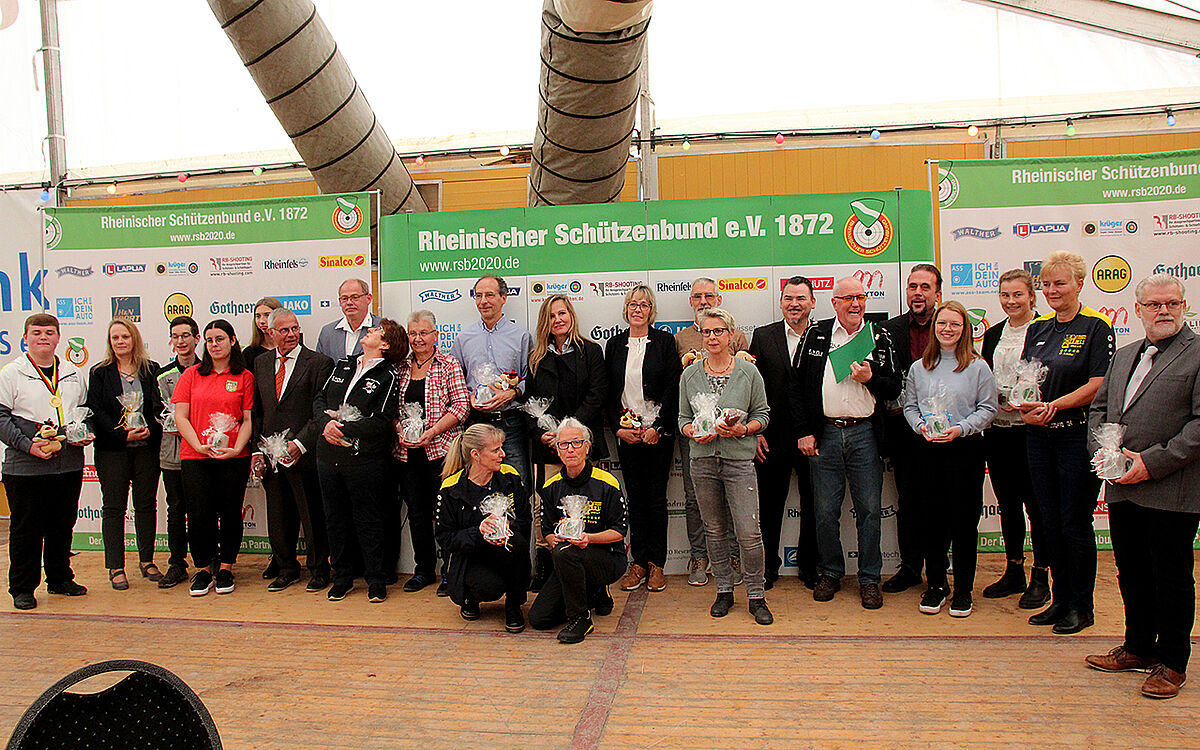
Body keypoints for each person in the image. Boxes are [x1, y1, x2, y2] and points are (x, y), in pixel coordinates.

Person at [1085, 273, 1200, 699]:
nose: (1163, 311)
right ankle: (1138, 647)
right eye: (1154, 304)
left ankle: (1172, 663)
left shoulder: (1197, 353)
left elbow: (1199, 426)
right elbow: (1099, 411)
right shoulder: (1125, 355)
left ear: (1184, 305)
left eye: (1171, 303)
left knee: (1171, 577)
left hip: (1172, 488)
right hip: (1122, 486)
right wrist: (1105, 453)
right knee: (1131, 571)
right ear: (1139, 310)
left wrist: (1150, 463)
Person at [1019, 250, 1115, 635]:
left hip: (1076, 435)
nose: (1052, 290)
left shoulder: (1097, 326)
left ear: (1079, 283)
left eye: (1060, 283)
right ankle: (1059, 600)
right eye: (1046, 284)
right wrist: (1026, 409)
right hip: (1039, 436)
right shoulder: (1038, 327)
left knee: (1074, 522)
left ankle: (1081, 605)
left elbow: (1099, 384)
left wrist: (1055, 405)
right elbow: (1028, 381)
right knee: (1048, 521)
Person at [791, 276, 901, 609]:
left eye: (860, 297)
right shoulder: (816, 333)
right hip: (824, 433)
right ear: (834, 303)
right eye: (848, 298)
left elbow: (894, 386)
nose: (856, 304)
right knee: (825, 512)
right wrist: (803, 431)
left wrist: (871, 379)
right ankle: (830, 572)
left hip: (864, 433)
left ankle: (869, 579)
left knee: (869, 510)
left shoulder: (878, 335)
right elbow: (796, 386)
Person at [903, 301, 997, 617]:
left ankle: (964, 590)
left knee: (963, 524)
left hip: (965, 451)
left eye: (955, 324)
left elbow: (988, 408)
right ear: (934, 327)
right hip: (928, 450)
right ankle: (936, 586)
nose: (947, 329)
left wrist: (960, 429)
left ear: (964, 329)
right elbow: (910, 407)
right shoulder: (919, 367)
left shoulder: (978, 366)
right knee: (931, 522)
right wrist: (920, 427)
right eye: (942, 323)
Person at [679, 308, 773, 625]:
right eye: (707, 332)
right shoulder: (690, 375)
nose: (712, 337)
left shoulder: (748, 372)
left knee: (748, 532)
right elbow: (682, 419)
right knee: (715, 530)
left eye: (718, 331)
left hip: (738, 461)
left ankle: (757, 595)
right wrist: (692, 431)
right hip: (702, 461)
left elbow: (763, 414)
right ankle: (723, 590)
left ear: (731, 334)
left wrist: (744, 430)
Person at [0, 314, 92, 610]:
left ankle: (60, 578)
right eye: (37, 332)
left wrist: (83, 434)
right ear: (25, 337)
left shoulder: (72, 372)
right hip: (25, 467)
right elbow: (1, 418)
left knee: (62, 525)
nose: (43, 337)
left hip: (68, 464)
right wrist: (28, 446)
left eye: (49, 332)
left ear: (58, 337)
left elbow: (83, 412)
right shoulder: (11, 373)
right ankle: (22, 588)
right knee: (26, 529)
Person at [314, 319, 405, 603]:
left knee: (369, 521)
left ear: (385, 344)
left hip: (364, 460)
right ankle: (342, 577)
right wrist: (325, 425)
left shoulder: (389, 375)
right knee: (335, 520)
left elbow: (382, 420)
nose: (370, 330)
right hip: (328, 456)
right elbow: (319, 401)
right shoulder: (343, 364)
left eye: (377, 331)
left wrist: (343, 428)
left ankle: (376, 580)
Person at [525, 294, 608, 592]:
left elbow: (597, 395)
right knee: (543, 506)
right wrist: (542, 434)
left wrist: (569, 433)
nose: (557, 319)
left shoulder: (591, 352)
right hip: (547, 447)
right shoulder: (535, 359)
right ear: (544, 322)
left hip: (582, 442)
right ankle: (545, 566)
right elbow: (530, 404)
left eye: (562, 313)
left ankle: (589, 568)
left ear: (571, 315)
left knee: (587, 506)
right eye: (551, 315)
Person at [250, 308, 335, 593]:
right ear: (271, 332)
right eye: (284, 330)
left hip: (305, 453)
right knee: (278, 516)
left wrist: (299, 445)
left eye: (294, 328)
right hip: (270, 456)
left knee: (312, 515)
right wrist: (257, 450)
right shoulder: (261, 363)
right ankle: (286, 568)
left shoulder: (319, 363)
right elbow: (257, 411)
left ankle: (319, 569)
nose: (291, 334)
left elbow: (320, 412)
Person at [604, 285, 680, 593]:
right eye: (633, 304)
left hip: (657, 435)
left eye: (644, 305)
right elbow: (608, 392)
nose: (638, 309)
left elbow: (673, 387)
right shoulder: (614, 344)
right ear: (626, 310)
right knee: (634, 499)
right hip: (627, 434)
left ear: (651, 311)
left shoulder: (664, 342)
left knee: (656, 499)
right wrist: (618, 428)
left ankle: (656, 563)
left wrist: (658, 427)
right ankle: (637, 563)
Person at [980, 269, 1049, 607]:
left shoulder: (1045, 330)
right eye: (1005, 295)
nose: (1011, 301)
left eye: (1017, 295)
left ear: (1031, 296)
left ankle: (1041, 576)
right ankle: (1014, 570)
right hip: (998, 431)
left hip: (1033, 432)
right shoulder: (994, 333)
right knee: (1008, 505)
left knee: (1037, 506)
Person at [173, 319, 255, 597]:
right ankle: (203, 570)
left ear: (232, 340)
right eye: (209, 340)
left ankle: (226, 568)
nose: (214, 345)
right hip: (195, 456)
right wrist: (198, 445)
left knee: (230, 513)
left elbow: (247, 419)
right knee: (198, 515)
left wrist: (237, 448)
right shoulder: (192, 374)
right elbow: (180, 416)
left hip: (233, 457)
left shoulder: (244, 376)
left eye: (220, 339)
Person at [528, 418, 628, 643]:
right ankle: (594, 592)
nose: (570, 449)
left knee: (565, 553)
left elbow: (619, 531)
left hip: (607, 558)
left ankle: (581, 618)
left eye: (576, 443)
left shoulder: (607, 483)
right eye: (564, 444)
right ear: (557, 450)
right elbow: (547, 531)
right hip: (567, 560)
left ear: (587, 447)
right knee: (539, 619)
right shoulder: (550, 486)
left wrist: (588, 539)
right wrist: (554, 538)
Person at [674, 277, 745, 586]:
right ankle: (699, 555)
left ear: (719, 298)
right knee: (694, 497)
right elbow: (676, 387)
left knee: (730, 496)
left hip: (730, 432)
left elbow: (748, 381)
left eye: (709, 296)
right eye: (697, 296)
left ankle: (731, 556)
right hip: (695, 432)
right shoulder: (679, 338)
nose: (703, 301)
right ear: (690, 301)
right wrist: (689, 427)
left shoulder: (737, 335)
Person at [393, 310, 470, 595]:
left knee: (446, 515)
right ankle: (423, 570)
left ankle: (450, 572)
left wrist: (432, 431)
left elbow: (461, 407)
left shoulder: (448, 364)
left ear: (436, 335)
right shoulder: (400, 367)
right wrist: (399, 431)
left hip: (442, 452)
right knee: (416, 514)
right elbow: (390, 408)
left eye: (424, 333)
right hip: (407, 454)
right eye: (413, 333)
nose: (418, 339)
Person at [749, 275, 817, 590]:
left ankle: (810, 566)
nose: (794, 304)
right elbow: (751, 387)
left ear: (812, 303)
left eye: (801, 298)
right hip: (770, 437)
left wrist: (815, 432)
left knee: (814, 504)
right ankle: (767, 568)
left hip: (812, 437)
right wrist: (755, 430)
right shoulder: (763, 336)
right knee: (768, 505)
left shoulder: (823, 336)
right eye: (789, 298)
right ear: (780, 302)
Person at [87, 318, 163, 591]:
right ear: (110, 342)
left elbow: (159, 407)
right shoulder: (100, 372)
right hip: (112, 451)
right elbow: (95, 411)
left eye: (125, 336)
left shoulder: (151, 369)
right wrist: (123, 434)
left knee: (146, 505)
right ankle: (116, 567)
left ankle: (147, 561)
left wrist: (149, 429)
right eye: (115, 337)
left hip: (146, 449)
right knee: (113, 507)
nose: (120, 341)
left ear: (134, 339)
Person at [880, 263, 942, 594]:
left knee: (939, 501)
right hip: (903, 430)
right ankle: (909, 568)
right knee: (908, 501)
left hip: (944, 431)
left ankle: (939, 571)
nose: (917, 293)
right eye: (912, 287)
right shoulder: (889, 329)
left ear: (938, 294)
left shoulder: (950, 326)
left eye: (925, 287)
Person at [435, 423, 532, 634]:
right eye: (496, 450)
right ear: (475, 455)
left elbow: (525, 518)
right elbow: (445, 538)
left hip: (505, 552)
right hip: (471, 556)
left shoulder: (510, 476)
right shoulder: (451, 487)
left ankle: (514, 605)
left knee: (518, 542)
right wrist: (478, 532)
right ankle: (469, 597)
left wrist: (508, 527)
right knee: (488, 587)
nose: (503, 454)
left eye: (502, 448)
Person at [449, 274, 534, 493]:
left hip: (511, 422)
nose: (483, 301)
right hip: (476, 423)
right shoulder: (464, 338)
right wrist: (468, 397)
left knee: (519, 485)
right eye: (478, 296)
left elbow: (532, 379)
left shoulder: (521, 336)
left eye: (490, 295)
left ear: (503, 298)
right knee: (477, 487)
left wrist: (513, 392)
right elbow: (454, 380)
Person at [156, 315, 199, 589]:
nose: (181, 341)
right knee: (175, 509)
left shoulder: (208, 370)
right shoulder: (162, 375)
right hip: (172, 455)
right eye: (176, 336)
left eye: (186, 335)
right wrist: (170, 423)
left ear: (196, 339)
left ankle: (208, 560)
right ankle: (177, 563)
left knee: (204, 509)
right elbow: (154, 412)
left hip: (201, 453)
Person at [315, 279, 381, 362]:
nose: (349, 302)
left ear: (368, 298)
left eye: (355, 297)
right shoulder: (327, 332)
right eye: (344, 298)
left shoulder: (382, 328)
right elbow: (320, 366)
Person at [243, 296, 282, 369]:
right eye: (258, 316)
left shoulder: (288, 349)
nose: (262, 321)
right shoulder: (249, 353)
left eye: (267, 315)